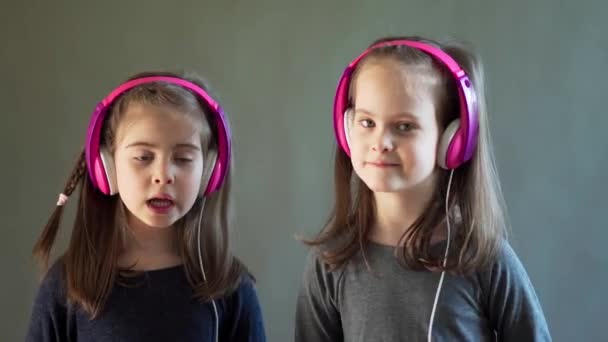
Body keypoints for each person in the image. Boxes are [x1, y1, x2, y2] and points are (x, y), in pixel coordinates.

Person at [295, 36, 551, 341]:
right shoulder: (330, 262)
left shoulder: (484, 259)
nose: (380, 143)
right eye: (367, 123)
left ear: (452, 140)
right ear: (346, 127)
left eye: (404, 126)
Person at [26, 71, 266, 342]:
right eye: (143, 157)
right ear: (106, 167)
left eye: (183, 158)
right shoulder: (67, 285)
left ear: (209, 171)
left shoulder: (230, 287)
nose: (163, 175)